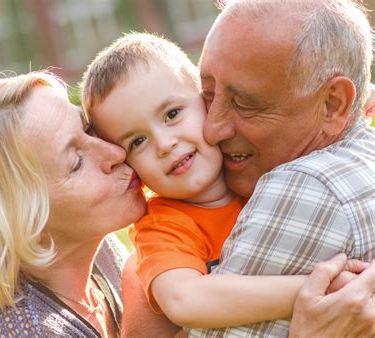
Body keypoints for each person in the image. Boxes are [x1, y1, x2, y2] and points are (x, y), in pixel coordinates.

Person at [81, 32, 351, 330]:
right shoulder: (163, 227)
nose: (165, 144)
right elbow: (185, 300)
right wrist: (315, 288)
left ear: (209, 101)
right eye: (138, 141)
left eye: (172, 114)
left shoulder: (264, 164)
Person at [0, 71, 147, 337]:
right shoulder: (17, 330)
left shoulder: (97, 251)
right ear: (23, 218)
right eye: (76, 163)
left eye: (87, 128)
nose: (116, 152)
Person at [192, 0, 375, 336]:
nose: (211, 129)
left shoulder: (306, 185)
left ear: (333, 103)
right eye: (206, 92)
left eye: (245, 103)